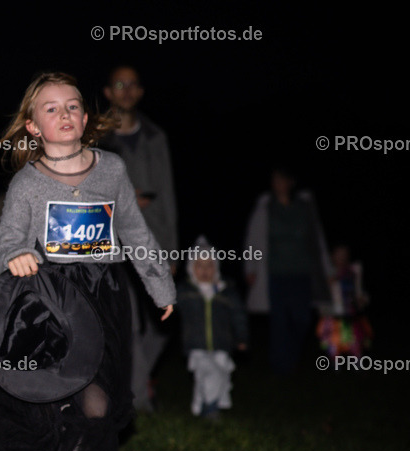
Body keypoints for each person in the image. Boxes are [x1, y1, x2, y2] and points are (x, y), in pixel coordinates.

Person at [0, 72, 175, 451]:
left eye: (72, 106)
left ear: (87, 116)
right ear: (33, 126)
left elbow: (135, 234)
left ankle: (77, 443)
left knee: (97, 394)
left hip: (102, 295)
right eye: (51, 109)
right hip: (47, 300)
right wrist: (14, 256)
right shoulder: (26, 183)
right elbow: (5, 243)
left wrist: (161, 287)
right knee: (43, 400)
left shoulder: (112, 169)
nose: (64, 115)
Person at [100, 65, 178, 412]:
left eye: (132, 84)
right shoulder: (95, 138)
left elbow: (168, 194)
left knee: (166, 323)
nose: (126, 90)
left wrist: (173, 251)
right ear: (108, 92)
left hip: (154, 240)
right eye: (119, 84)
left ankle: (135, 377)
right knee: (125, 320)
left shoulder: (155, 136)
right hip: (111, 242)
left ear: (140, 92)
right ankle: (139, 400)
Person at [242, 166, 332, 375]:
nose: (277, 184)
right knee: (279, 321)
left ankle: (291, 355)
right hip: (275, 273)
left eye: (281, 179)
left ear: (291, 182)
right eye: (274, 180)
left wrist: (327, 271)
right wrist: (250, 267)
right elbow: (252, 240)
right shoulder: (266, 207)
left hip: (302, 272)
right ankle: (281, 366)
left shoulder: (305, 207)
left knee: (303, 319)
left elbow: (318, 240)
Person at [175, 237, 248, 419]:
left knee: (221, 376)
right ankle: (210, 411)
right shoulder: (185, 291)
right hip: (196, 344)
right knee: (208, 373)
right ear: (191, 268)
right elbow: (170, 306)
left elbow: (238, 315)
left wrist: (242, 337)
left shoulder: (226, 291)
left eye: (209, 265)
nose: (205, 270)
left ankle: (202, 404)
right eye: (199, 265)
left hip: (222, 344)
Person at [316, 244, 371, 359]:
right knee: (333, 343)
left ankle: (358, 365)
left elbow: (360, 291)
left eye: (344, 255)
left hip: (349, 315)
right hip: (332, 316)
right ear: (331, 257)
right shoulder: (327, 273)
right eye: (338, 255)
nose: (341, 258)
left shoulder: (353, 272)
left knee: (354, 342)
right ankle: (335, 367)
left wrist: (363, 299)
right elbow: (320, 293)